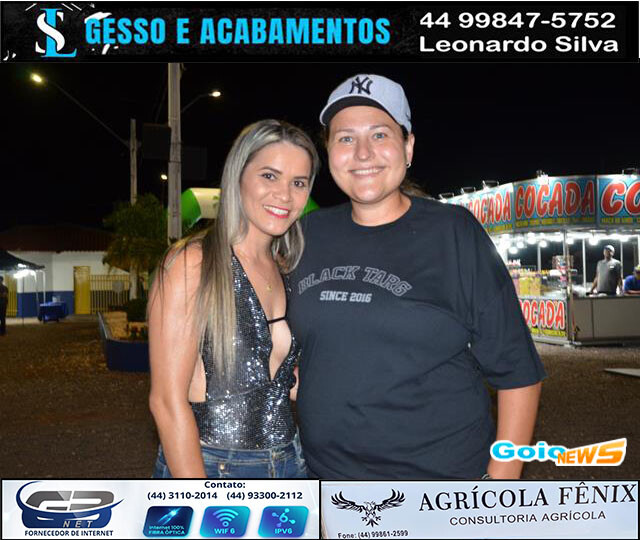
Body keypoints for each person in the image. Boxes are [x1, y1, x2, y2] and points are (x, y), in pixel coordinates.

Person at [288, 74, 546, 480]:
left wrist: (500, 487)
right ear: (329, 152)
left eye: (379, 134)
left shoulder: (453, 232)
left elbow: (518, 371)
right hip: (328, 484)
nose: (363, 153)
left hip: (441, 487)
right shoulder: (307, 234)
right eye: (346, 138)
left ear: (407, 147)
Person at [148, 119, 319, 478]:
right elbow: (166, 402)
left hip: (291, 461)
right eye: (269, 176)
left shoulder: (287, 269)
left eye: (298, 183)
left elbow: (283, 382)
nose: (285, 195)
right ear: (238, 176)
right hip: (213, 465)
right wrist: (201, 501)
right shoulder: (194, 263)